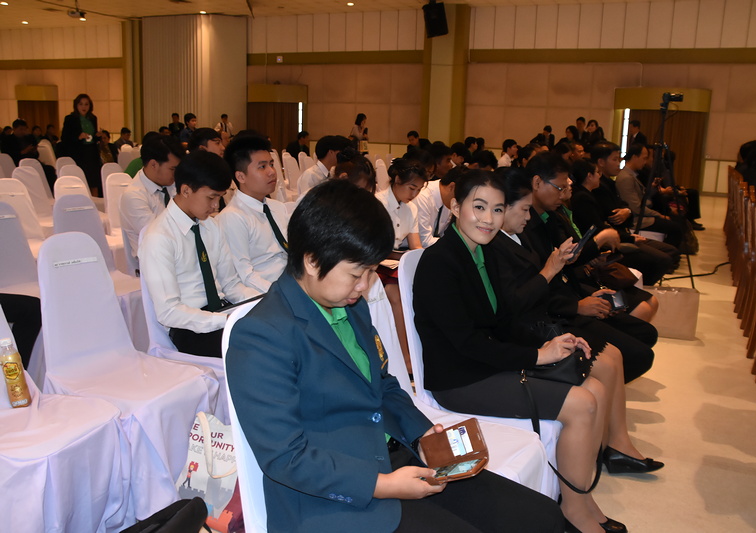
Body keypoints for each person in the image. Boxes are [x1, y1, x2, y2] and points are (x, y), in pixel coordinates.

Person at [226, 179, 565, 533]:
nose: (365, 286)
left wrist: (423, 436)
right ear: (312, 261)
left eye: (371, 272)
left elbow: (383, 385)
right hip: (333, 495)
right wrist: (384, 485)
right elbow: (286, 457)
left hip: (393, 454)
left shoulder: (348, 304)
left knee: (541, 517)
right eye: (357, 273)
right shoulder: (262, 336)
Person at [414, 169, 662, 533]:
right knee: (583, 403)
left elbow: (503, 320)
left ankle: (582, 500)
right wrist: (537, 356)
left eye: (497, 209)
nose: (488, 219)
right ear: (455, 207)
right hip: (460, 379)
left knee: (594, 387)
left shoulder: (482, 253)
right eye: (479, 207)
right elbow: (466, 343)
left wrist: (550, 344)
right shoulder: (440, 262)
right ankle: (573, 512)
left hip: (487, 362)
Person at [518, 156, 659, 383]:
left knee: (644, 335)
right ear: (536, 183)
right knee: (637, 355)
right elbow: (531, 292)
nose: (563, 194)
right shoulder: (522, 228)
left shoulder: (548, 217)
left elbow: (564, 270)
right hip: (554, 313)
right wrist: (577, 305)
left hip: (567, 297)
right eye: (560, 188)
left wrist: (584, 297)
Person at [139, 151, 259, 357]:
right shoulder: (159, 237)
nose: (216, 206)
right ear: (186, 190)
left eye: (220, 197)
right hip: (189, 328)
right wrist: (225, 321)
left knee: (282, 330)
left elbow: (231, 285)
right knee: (260, 348)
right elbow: (169, 311)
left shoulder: (211, 226)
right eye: (211, 197)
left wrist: (261, 303)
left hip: (222, 312)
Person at [587, 142, 680, 284]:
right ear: (601, 162)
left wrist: (627, 211)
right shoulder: (598, 188)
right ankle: (640, 288)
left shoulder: (609, 183)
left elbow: (624, 206)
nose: (619, 163)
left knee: (670, 249)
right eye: (615, 159)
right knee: (663, 258)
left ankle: (641, 286)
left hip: (624, 231)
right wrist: (628, 221)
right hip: (617, 237)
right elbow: (613, 216)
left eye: (619, 159)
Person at [216, 135, 289, 293]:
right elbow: (245, 275)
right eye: (262, 167)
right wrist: (282, 294)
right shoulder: (233, 217)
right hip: (265, 292)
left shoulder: (278, 207)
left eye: (271, 164)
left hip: (292, 282)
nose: (272, 172)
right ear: (240, 176)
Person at [375, 158, 429, 372]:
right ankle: (405, 357)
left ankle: (421, 351)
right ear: (397, 179)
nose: (414, 194)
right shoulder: (377, 202)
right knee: (396, 295)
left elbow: (415, 246)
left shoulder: (411, 209)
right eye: (411, 188)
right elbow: (376, 247)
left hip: (394, 262)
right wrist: (403, 257)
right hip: (375, 262)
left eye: (419, 190)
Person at [119, 135, 185, 266]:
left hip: (178, 256)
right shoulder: (133, 195)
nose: (176, 174)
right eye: (172, 169)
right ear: (153, 164)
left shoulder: (172, 184)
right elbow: (158, 237)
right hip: (153, 263)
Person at [615, 144, 683, 249]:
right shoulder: (626, 178)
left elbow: (642, 197)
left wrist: (652, 189)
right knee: (676, 228)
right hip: (637, 219)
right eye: (644, 158)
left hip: (643, 214)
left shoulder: (632, 175)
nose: (645, 162)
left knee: (676, 221)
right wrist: (659, 215)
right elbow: (636, 207)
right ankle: (669, 252)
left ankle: (670, 251)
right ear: (634, 157)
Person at [60, 93, 103, 196]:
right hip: (78, 153)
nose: (84, 107)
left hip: (91, 152)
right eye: (81, 104)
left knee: (94, 182)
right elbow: (64, 138)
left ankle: (95, 202)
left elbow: (92, 137)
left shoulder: (93, 118)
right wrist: (78, 137)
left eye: (86, 104)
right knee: (81, 181)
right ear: (76, 105)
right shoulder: (70, 119)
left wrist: (97, 136)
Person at [412, 166, 462, 247]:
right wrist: (455, 245)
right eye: (462, 196)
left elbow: (443, 235)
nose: (461, 202)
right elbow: (424, 241)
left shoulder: (447, 199)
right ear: (452, 187)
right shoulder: (423, 195)